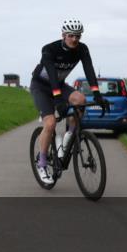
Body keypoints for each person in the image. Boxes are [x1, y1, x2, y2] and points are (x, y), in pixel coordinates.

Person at [29, 19, 108, 185]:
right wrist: (57, 99)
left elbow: (89, 69)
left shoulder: (82, 49)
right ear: (63, 35)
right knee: (50, 124)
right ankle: (42, 163)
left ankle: (68, 137)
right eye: (71, 36)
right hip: (41, 87)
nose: (74, 39)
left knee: (80, 99)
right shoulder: (49, 49)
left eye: (77, 36)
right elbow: (51, 73)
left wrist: (97, 94)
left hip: (60, 85)